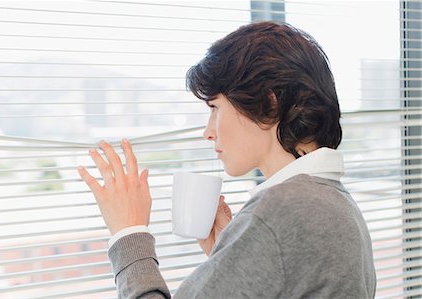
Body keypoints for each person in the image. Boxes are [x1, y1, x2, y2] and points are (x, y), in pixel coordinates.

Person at [77, 21, 376, 298]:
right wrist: (231, 253)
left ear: (268, 104)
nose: (208, 132)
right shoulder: (335, 201)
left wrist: (129, 232)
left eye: (215, 108)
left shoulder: (283, 209)